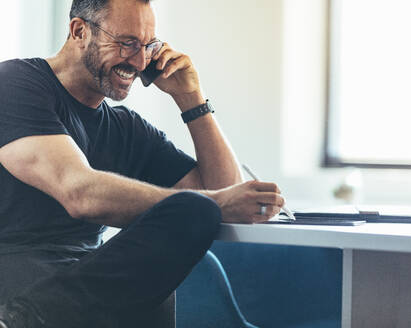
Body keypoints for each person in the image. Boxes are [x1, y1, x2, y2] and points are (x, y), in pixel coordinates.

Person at [0, 0, 285, 327]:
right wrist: (216, 203)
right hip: (17, 275)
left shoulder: (127, 128)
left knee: (194, 213)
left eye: (148, 46)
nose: (138, 61)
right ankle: (22, 321)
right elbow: (79, 192)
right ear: (79, 31)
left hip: (89, 280)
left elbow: (225, 193)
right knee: (197, 208)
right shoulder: (15, 83)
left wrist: (191, 99)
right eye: (126, 43)